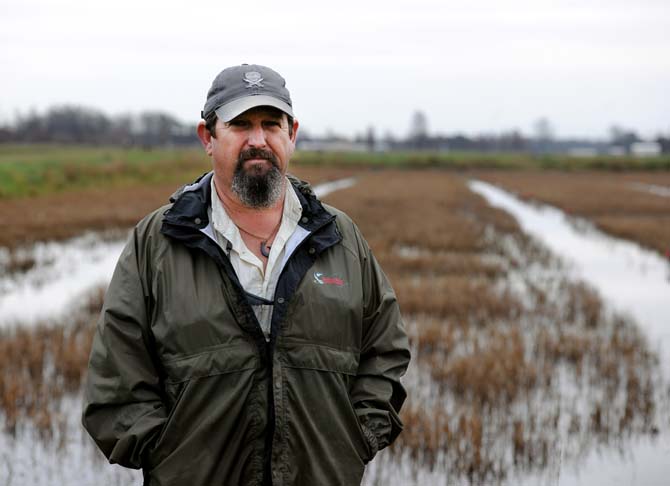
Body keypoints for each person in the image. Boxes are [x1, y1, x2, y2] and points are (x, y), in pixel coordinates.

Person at [82, 63, 410, 486]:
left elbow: (386, 349)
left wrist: (356, 439)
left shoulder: (340, 238)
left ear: (291, 135)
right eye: (240, 124)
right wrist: (171, 459)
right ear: (208, 137)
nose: (259, 140)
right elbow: (115, 382)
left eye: (272, 124)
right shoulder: (157, 243)